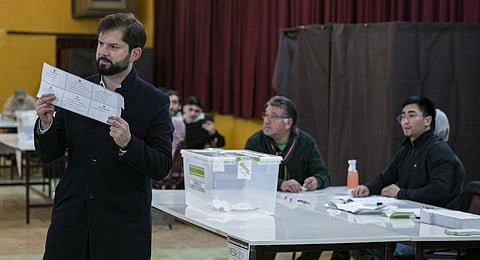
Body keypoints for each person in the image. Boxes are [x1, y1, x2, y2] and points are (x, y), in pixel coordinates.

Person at [34, 13, 173, 259]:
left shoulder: (155, 101)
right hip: (71, 220)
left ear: (135, 54)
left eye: (113, 46)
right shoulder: (76, 91)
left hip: (122, 227)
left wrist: (128, 144)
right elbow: (48, 154)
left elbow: (161, 166)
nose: (103, 52)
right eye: (100, 44)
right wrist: (46, 123)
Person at [348, 96, 465, 259]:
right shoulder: (407, 149)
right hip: (409, 221)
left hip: (432, 228)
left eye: (411, 115)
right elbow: (386, 176)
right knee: (355, 240)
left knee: (374, 245)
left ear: (427, 121)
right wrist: (368, 188)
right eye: (402, 116)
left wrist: (401, 193)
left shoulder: (439, 150)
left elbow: (440, 190)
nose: (405, 121)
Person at [245, 95, 330, 260]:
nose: (267, 121)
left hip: (298, 211)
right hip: (264, 211)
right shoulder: (255, 142)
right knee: (265, 245)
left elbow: (323, 174)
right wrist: (280, 184)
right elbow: (247, 178)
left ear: (288, 123)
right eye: (266, 115)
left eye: (274, 116)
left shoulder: (306, 142)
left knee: (319, 234)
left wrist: (316, 181)